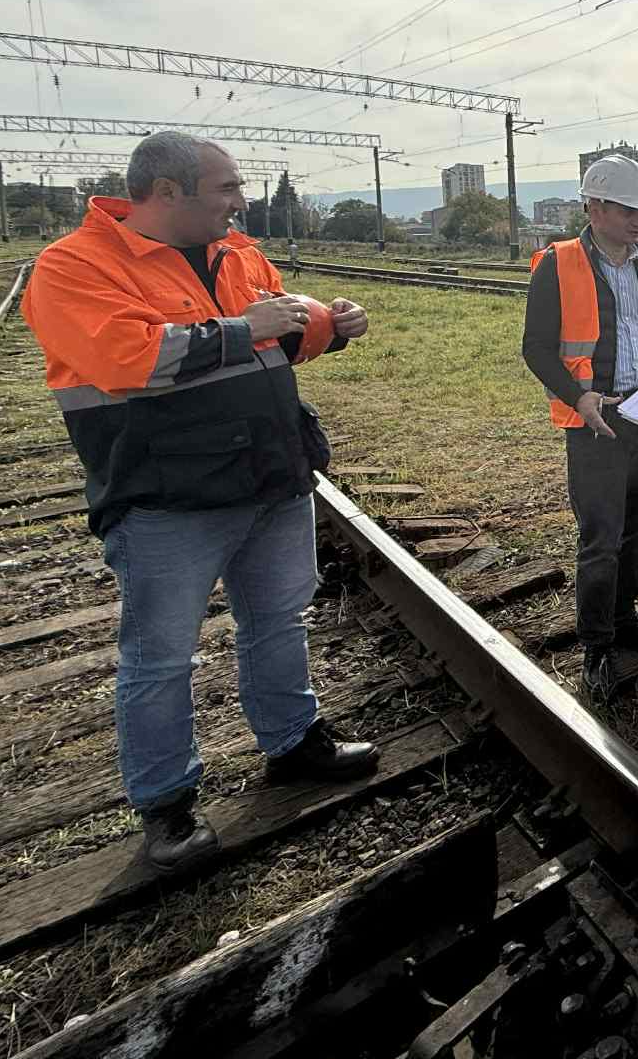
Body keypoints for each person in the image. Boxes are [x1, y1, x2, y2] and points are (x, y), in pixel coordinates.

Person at [21, 132, 377, 876]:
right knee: (160, 656)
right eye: (227, 188)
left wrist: (331, 326)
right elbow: (130, 358)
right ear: (166, 192)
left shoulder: (237, 254)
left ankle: (293, 741)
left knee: (279, 619)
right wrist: (248, 329)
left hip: (271, 476)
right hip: (167, 497)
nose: (240, 201)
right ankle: (166, 801)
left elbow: (282, 340)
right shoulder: (72, 266)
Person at [521, 153, 638, 704]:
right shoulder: (557, 264)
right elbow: (536, 347)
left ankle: (625, 618)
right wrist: (578, 397)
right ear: (595, 207)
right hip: (596, 422)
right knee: (601, 539)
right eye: (628, 209)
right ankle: (597, 645)